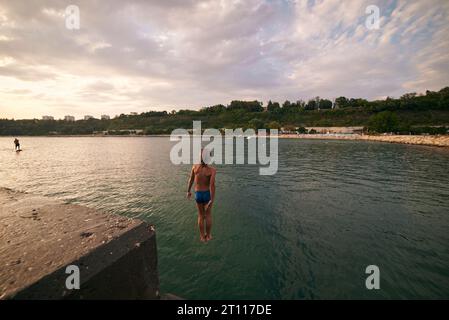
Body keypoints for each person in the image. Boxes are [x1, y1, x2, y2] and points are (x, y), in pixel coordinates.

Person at [187, 149, 216, 242]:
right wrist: (212, 199)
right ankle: (208, 235)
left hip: (198, 194)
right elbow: (212, 186)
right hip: (207, 194)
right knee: (208, 216)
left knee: (200, 216)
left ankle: (202, 236)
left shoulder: (195, 167)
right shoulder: (212, 170)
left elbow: (190, 180)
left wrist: (188, 191)